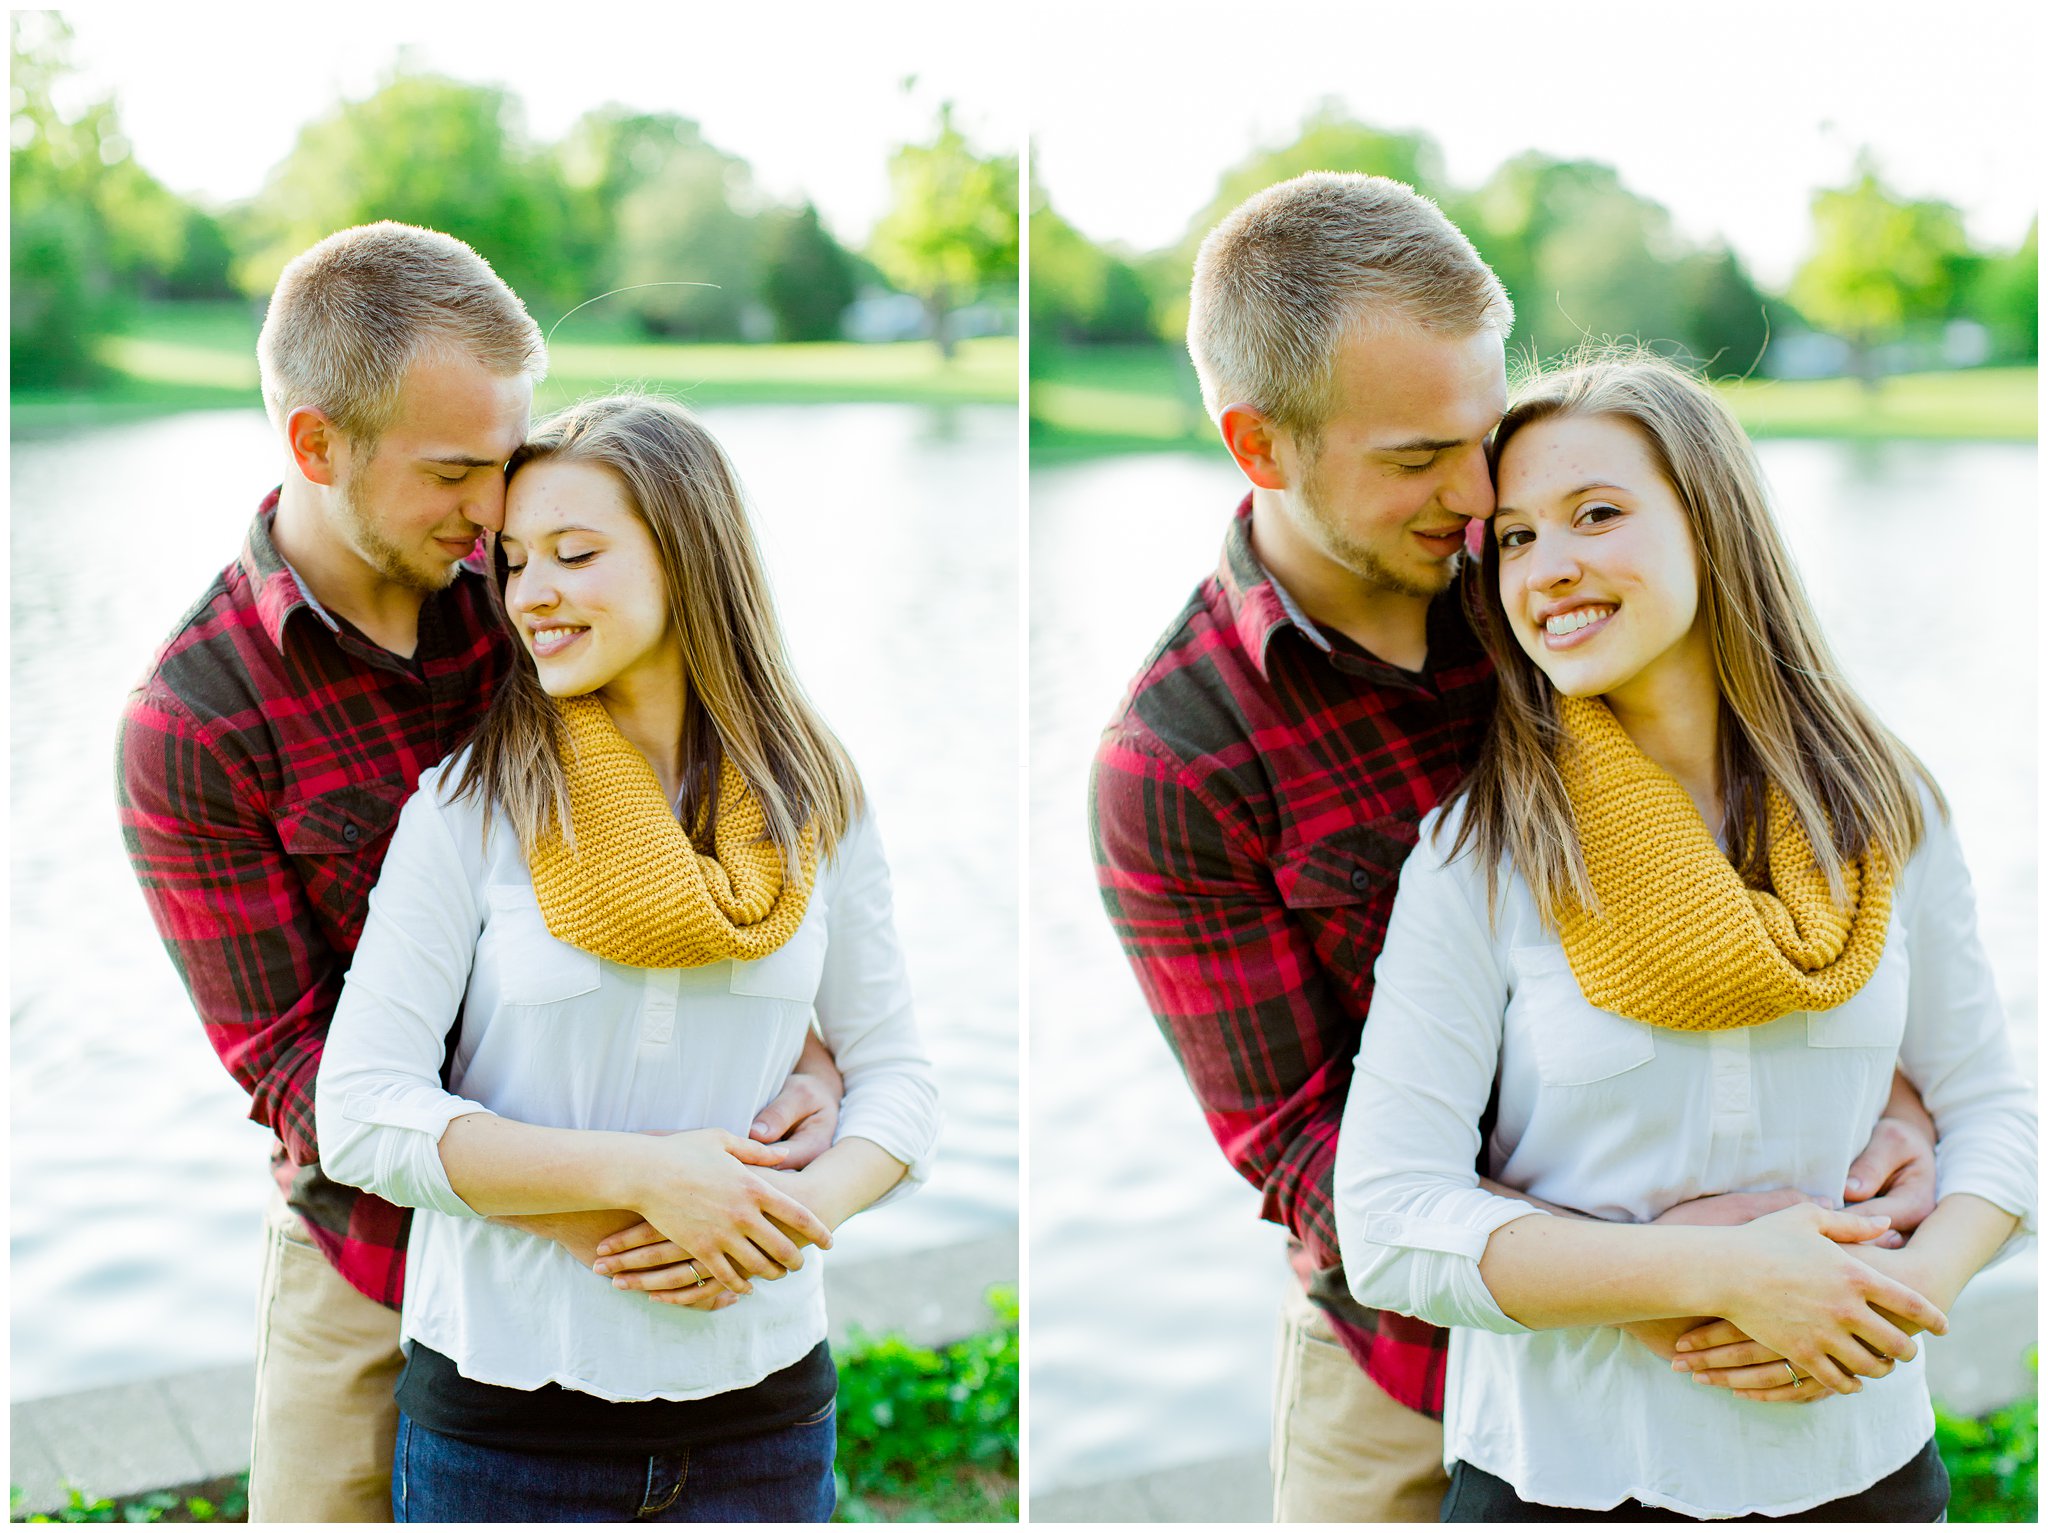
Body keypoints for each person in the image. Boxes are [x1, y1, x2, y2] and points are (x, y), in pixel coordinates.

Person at [1088, 173, 1943, 1522]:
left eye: (1479, 434)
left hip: (1760, 1292)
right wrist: (1655, 1271)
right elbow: (1298, 1145)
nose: (1478, 494)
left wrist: (1886, 1088)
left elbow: (1776, 821)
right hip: (1405, 1369)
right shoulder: (1180, 758)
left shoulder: (1555, 578)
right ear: (1262, 447)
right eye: (1418, 458)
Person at [116, 223, 846, 1523]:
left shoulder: (537, 599)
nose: (497, 511)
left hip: (651, 1235)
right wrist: (588, 1191)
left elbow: (722, 807)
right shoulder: (195, 721)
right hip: (372, 1266)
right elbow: (295, 1069)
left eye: (508, 463)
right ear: (317, 445)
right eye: (456, 472)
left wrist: (806, 1043)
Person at [1334, 351, 2035, 1520]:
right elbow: (1390, 1225)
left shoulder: (1885, 813)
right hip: (1568, 1480)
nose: (1546, 568)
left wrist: (1900, 1290)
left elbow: (1993, 1114)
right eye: (1511, 540)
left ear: (1712, 523)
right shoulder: (1485, 851)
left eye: (1594, 515)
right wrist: (1712, 1273)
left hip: (1861, 1469)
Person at [314, 392, 940, 1522]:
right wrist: (643, 1179)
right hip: (505, 1430)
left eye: (574, 553)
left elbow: (896, 1080)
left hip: (761, 1424)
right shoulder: (470, 810)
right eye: (511, 563)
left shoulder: (816, 804)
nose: (530, 594)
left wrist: (781, 1220)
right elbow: (358, 1113)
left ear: (689, 556)